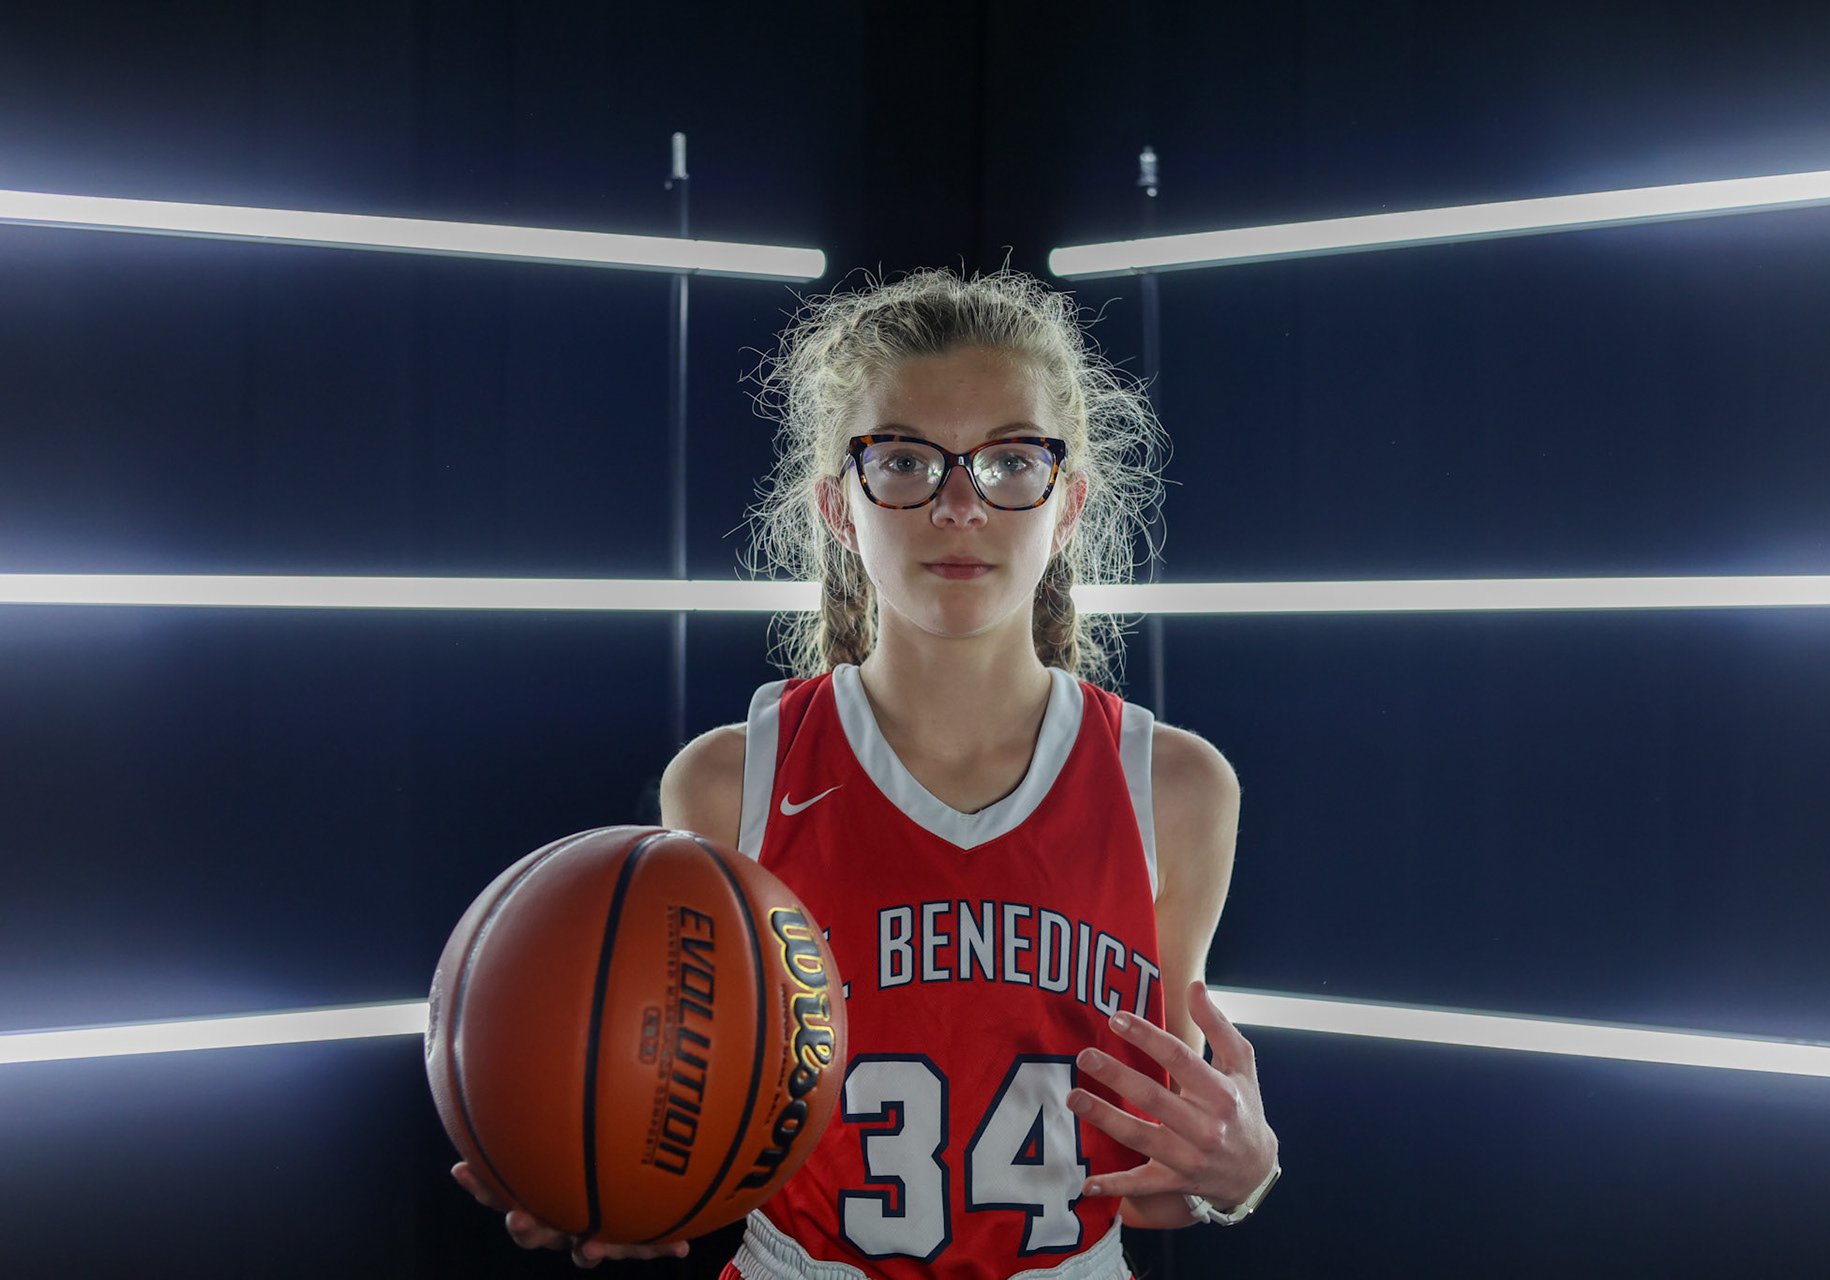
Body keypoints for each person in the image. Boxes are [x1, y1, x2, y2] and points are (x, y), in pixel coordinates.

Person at [454, 267, 1279, 1276]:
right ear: (839, 506)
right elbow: (696, 1116)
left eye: (1012, 460)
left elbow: (1150, 1165)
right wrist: (605, 1176)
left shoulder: (1175, 788)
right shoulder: (731, 780)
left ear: (1067, 502)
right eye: (904, 460)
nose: (961, 504)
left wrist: (1234, 1170)